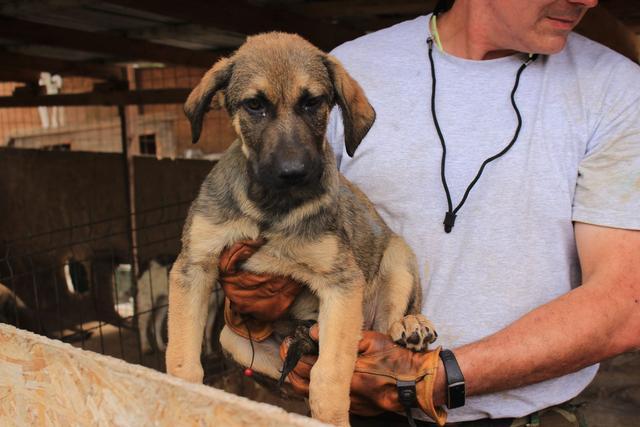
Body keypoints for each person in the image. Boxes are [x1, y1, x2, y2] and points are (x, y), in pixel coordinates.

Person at [221, 0, 640, 425]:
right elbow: (259, 218)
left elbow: (626, 301)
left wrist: (437, 377)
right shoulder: (342, 72)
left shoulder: (615, 89)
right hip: (353, 405)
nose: (588, 0)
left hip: (527, 416)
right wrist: (257, 296)